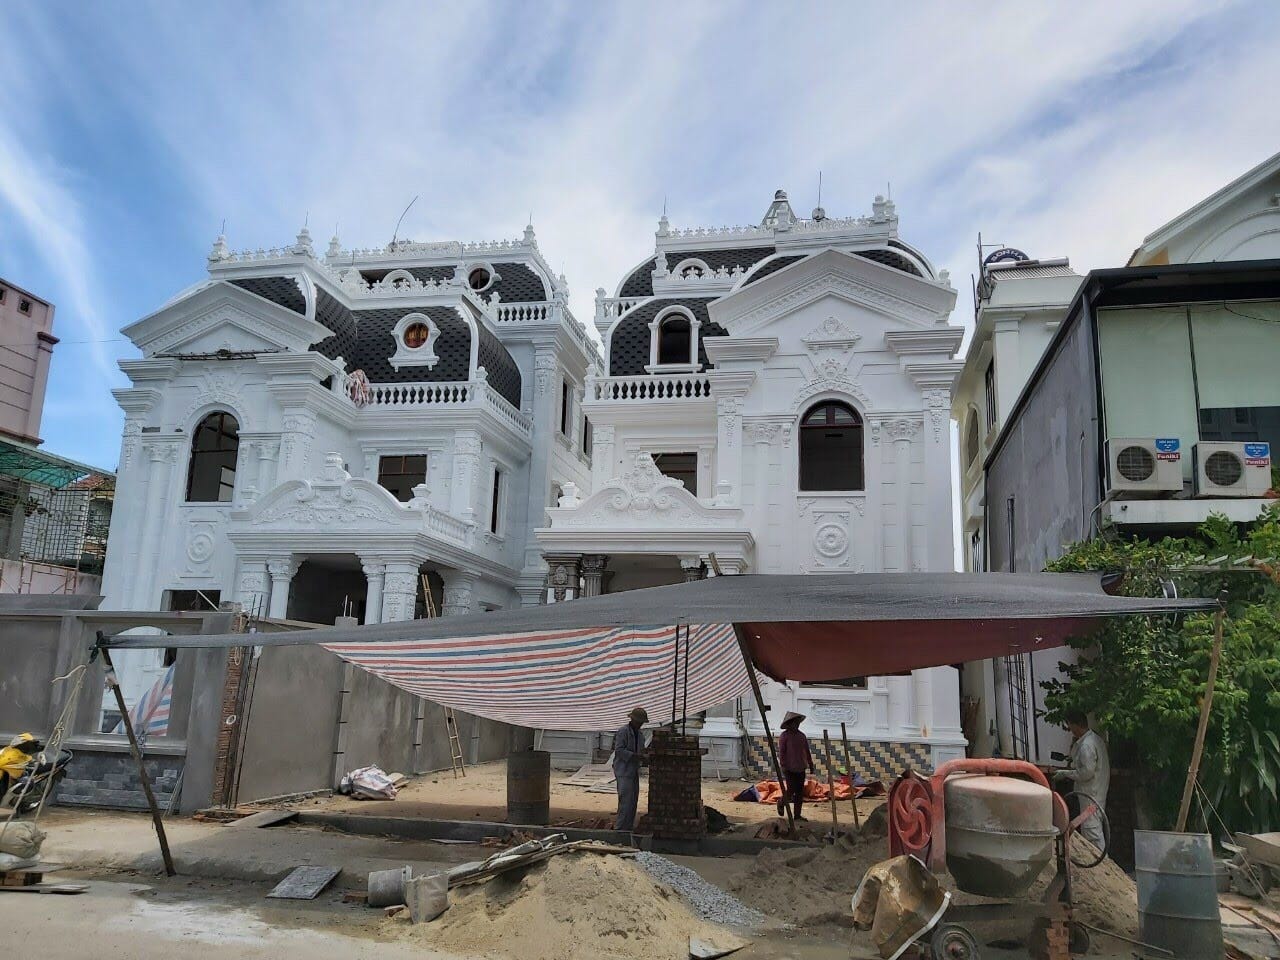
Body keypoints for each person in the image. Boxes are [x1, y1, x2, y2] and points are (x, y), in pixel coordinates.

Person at [1054, 709, 1110, 852]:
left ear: (1075, 725)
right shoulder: (1094, 740)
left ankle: (1100, 861)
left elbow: (1086, 773)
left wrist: (1065, 773)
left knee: (1092, 831)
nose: (1069, 729)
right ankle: (1098, 860)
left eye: (1070, 725)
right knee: (1092, 827)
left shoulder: (1087, 745)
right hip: (1095, 793)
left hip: (1090, 795)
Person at [612, 706, 648, 832]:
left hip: (633, 770)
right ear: (633, 720)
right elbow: (619, 750)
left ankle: (628, 827)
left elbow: (642, 750)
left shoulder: (640, 735)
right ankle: (620, 828)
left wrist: (645, 757)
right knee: (625, 801)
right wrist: (635, 756)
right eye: (639, 722)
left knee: (633, 801)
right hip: (623, 770)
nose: (640, 724)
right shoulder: (623, 731)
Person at [778, 711, 815, 821]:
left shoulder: (801, 736)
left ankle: (797, 815)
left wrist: (810, 764)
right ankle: (781, 802)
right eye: (795, 723)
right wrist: (783, 765)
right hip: (789, 768)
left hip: (800, 767)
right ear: (789, 724)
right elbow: (782, 752)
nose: (797, 725)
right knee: (790, 790)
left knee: (799, 792)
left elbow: (806, 751)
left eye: (798, 723)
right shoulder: (784, 736)